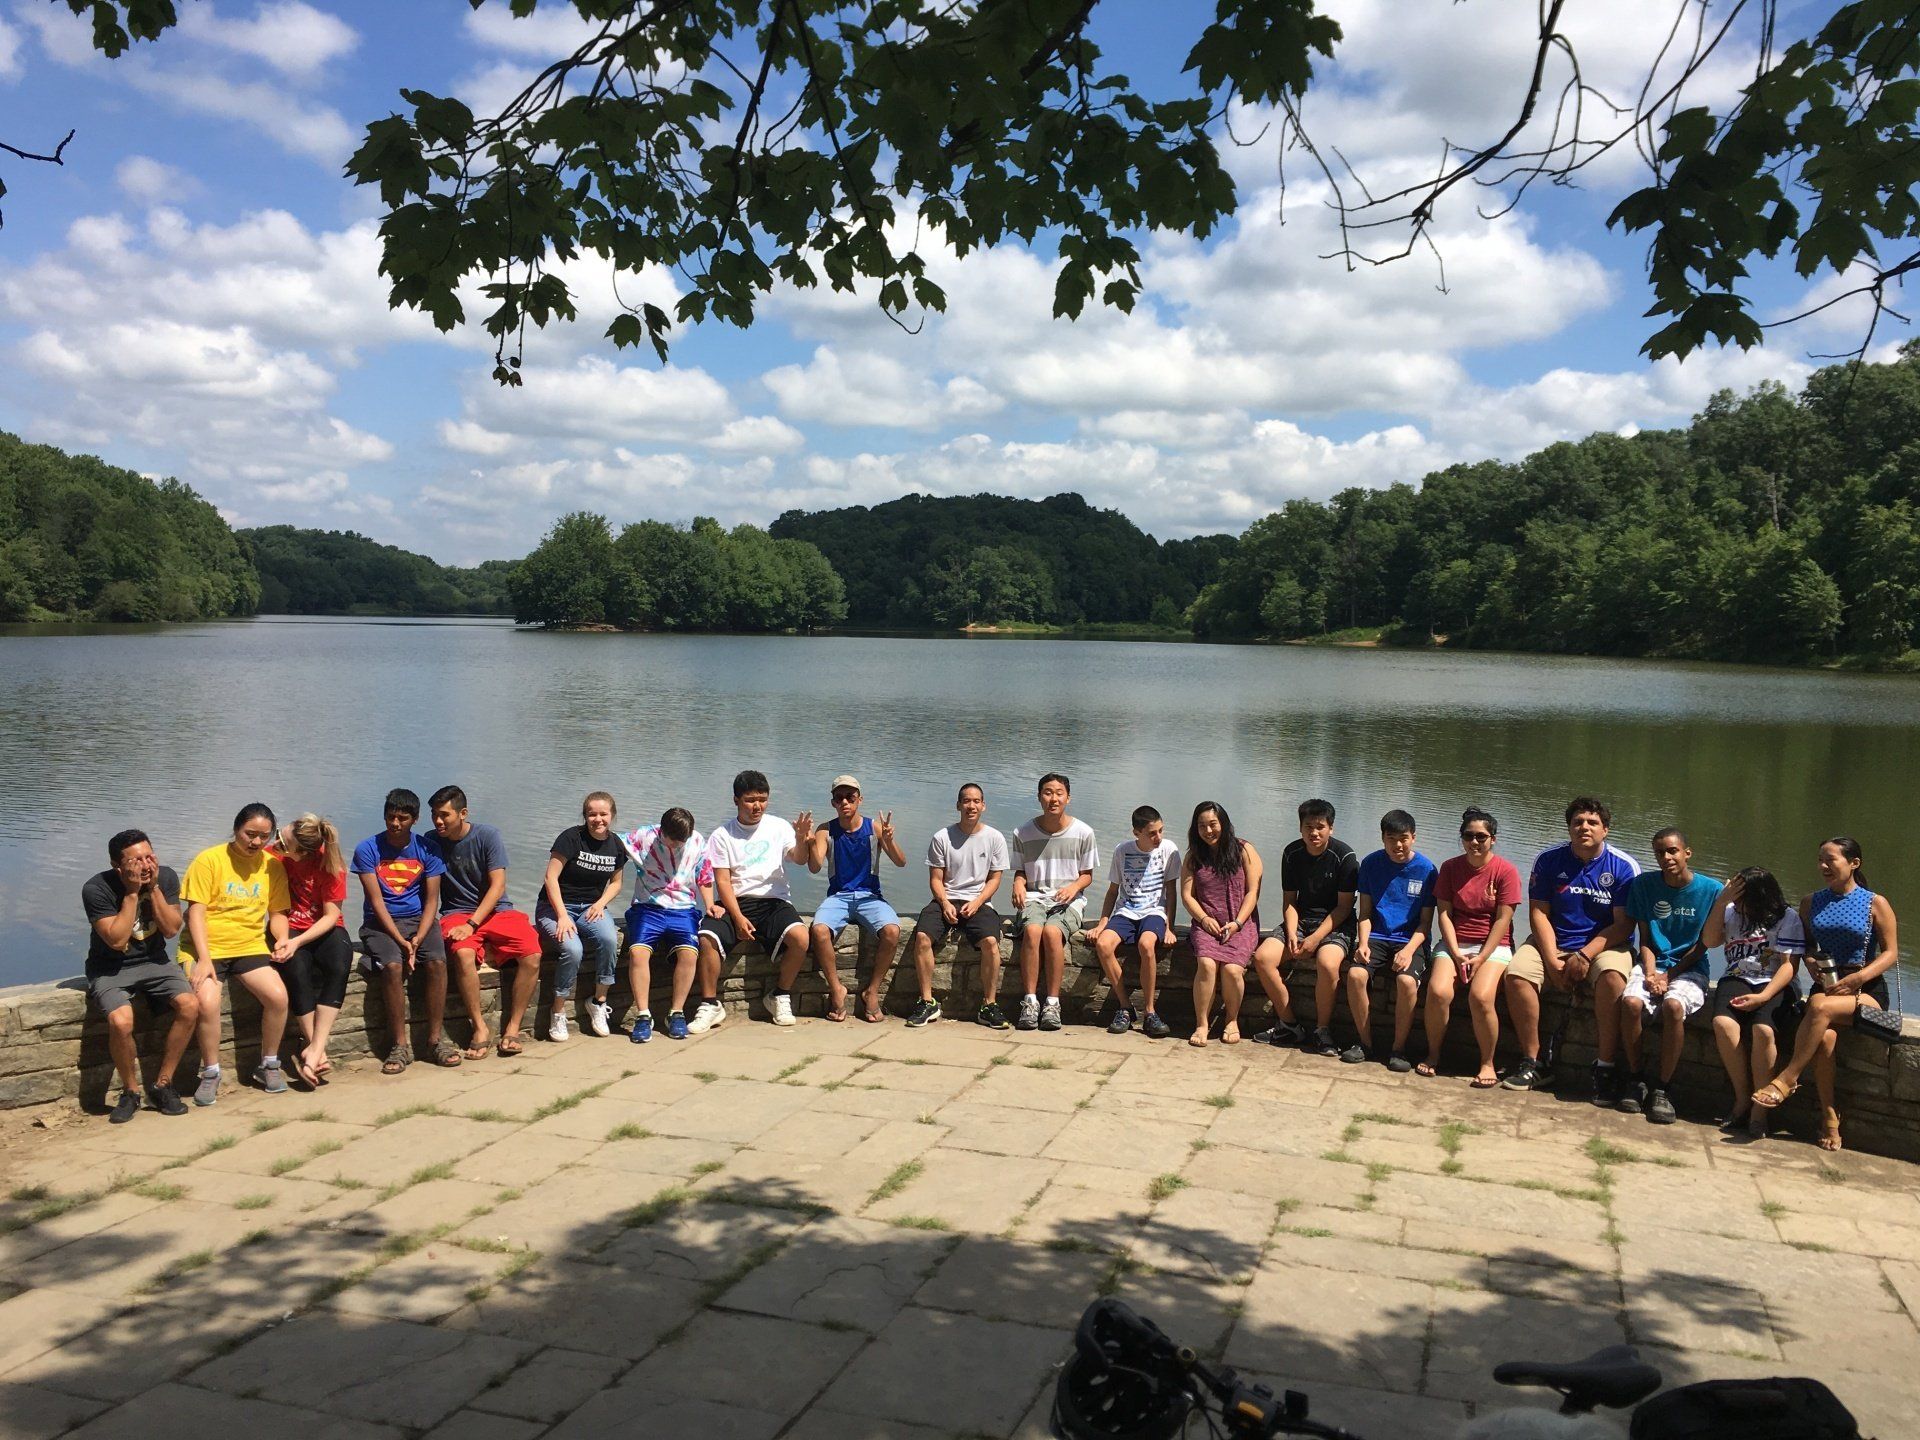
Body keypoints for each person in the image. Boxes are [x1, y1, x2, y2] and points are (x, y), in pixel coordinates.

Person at [1754, 837, 1901, 1150]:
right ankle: (1829, 1116)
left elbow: (1891, 953)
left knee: (1819, 1010)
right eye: (1820, 860)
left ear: (1853, 864)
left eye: (1831, 860)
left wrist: (1858, 977)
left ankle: (1788, 1078)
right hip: (1828, 982)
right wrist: (1810, 962)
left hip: (1866, 987)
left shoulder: (1876, 903)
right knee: (1825, 1038)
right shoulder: (1811, 901)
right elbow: (1807, 944)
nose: (1823, 866)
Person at [1498, 797, 1639, 1093]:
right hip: (1554, 941)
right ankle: (1533, 1062)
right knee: (1517, 974)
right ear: (1569, 827)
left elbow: (1624, 924)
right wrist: (1551, 959)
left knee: (1613, 979)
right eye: (1577, 822)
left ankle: (1605, 1067)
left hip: (1605, 946)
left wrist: (1585, 955)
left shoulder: (1625, 867)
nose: (1584, 828)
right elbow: (1538, 912)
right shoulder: (1549, 860)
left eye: (1592, 823)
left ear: (1606, 830)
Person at [180, 803, 293, 1100]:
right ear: (236, 829)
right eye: (250, 834)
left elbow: (278, 912)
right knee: (206, 1001)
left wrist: (281, 938)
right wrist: (204, 959)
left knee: (279, 997)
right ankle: (211, 1072)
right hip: (205, 948)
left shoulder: (272, 866)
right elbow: (195, 914)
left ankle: (269, 1063)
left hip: (249, 945)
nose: (256, 842)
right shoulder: (209, 860)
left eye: (264, 837)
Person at [82, 829, 196, 1122]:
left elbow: (171, 929)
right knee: (121, 1021)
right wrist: (132, 893)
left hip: (156, 962)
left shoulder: (165, 877)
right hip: (110, 968)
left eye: (148, 856)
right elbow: (117, 941)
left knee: (190, 1005)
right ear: (117, 866)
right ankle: (131, 1092)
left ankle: (163, 1085)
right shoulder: (97, 889)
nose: (145, 866)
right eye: (135, 861)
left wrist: (154, 888)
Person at [426, 785, 543, 1058]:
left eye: (444, 815)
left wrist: (473, 924)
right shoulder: (431, 841)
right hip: (456, 912)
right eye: (434, 815)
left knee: (533, 953)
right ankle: (480, 1028)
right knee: (464, 954)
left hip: (496, 910)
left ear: (463, 813)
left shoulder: (487, 836)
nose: (438, 821)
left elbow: (498, 885)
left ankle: (512, 1028)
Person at [701, 769, 823, 1027]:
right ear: (736, 800)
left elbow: (800, 859)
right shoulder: (722, 835)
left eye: (762, 799)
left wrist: (802, 839)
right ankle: (710, 1003)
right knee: (707, 938)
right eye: (750, 800)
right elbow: (722, 881)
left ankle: (779, 994)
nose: (757, 806)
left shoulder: (778, 826)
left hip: (774, 901)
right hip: (735, 901)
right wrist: (738, 917)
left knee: (801, 937)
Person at [1615, 828, 1720, 1123]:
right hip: (1652, 964)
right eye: (1660, 852)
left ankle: (1663, 1088)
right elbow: (1645, 938)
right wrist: (1650, 973)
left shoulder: (1710, 890)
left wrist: (1668, 976)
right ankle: (1636, 1080)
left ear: (1687, 853)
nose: (1666, 857)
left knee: (1673, 1006)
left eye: (1673, 851)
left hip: (1691, 968)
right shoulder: (1644, 885)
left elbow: (1704, 945)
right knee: (1631, 1002)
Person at [351, 789, 453, 1072]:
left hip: (418, 919)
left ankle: (435, 1041)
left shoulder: (428, 849)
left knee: (436, 962)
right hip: (379, 924)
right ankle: (399, 1046)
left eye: (402, 818)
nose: (395, 824)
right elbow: (376, 901)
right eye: (390, 817)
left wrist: (419, 936)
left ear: (415, 820)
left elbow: (433, 900)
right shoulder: (367, 849)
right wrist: (400, 941)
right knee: (393, 967)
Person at [1700, 867, 1805, 1141]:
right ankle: (1742, 1099)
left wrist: (1763, 996)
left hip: (1775, 982)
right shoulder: (1731, 911)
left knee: (1763, 1031)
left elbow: (1788, 968)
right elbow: (1710, 941)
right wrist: (1721, 902)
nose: (1740, 903)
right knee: (1723, 1023)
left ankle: (1760, 1111)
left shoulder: (1787, 917)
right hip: (1738, 975)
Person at [906, 783, 1011, 1029]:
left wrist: (976, 902)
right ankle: (927, 1001)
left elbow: (995, 880)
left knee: (991, 943)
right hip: (946, 899)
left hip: (979, 901)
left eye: (976, 801)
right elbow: (935, 879)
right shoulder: (942, 837)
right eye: (966, 801)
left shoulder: (994, 838)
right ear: (958, 805)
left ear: (983, 805)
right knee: (922, 937)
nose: (971, 806)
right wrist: (944, 902)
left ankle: (989, 1004)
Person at [806, 776, 906, 1023]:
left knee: (892, 931)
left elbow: (901, 862)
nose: (845, 802)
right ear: (833, 802)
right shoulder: (825, 830)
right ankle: (836, 989)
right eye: (839, 798)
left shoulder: (874, 828)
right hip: (838, 896)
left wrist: (890, 841)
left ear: (859, 800)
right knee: (819, 930)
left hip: (869, 896)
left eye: (850, 797)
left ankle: (872, 991)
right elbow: (815, 866)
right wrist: (807, 843)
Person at [1435, 808, 1522, 1085]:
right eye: (1468, 836)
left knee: (1481, 997)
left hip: (1493, 946)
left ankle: (1487, 1063)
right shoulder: (1450, 867)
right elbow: (1444, 914)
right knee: (1438, 991)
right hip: (1454, 942)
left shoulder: (1505, 871)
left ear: (1493, 839)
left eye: (1481, 837)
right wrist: (1456, 951)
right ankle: (1432, 1054)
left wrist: (1481, 957)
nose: (1474, 842)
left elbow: (1503, 920)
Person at [1349, 810, 1438, 1071]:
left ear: (1414, 837)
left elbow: (1425, 923)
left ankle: (1399, 1049)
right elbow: (1364, 914)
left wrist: (1410, 950)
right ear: (1382, 838)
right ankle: (1364, 1044)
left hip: (1411, 938)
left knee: (1406, 981)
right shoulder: (1370, 864)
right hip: (1375, 935)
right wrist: (1362, 943)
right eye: (1391, 839)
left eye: (1404, 838)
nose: (1398, 845)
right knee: (1356, 976)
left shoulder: (1427, 869)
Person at [537, 792, 629, 1041]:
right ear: (585, 815)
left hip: (590, 907)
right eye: (592, 814)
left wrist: (601, 904)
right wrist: (562, 916)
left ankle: (598, 1001)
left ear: (612, 815)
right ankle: (557, 1011)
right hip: (555, 906)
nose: (597, 819)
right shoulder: (571, 838)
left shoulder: (616, 845)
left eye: (603, 814)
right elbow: (550, 878)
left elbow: (617, 883)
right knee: (573, 949)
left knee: (610, 940)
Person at [1011, 773, 1100, 1031]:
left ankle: (1052, 1003)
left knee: (1052, 932)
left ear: (1068, 798)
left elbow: (1087, 876)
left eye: (1059, 793)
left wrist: (1073, 887)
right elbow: (1019, 870)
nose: (1053, 798)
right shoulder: (1023, 832)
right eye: (1048, 793)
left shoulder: (1083, 832)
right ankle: (1029, 1002)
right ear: (1039, 797)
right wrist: (1018, 883)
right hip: (1034, 897)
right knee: (1032, 930)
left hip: (1069, 899)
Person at [619, 807, 714, 1041]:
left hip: (683, 909)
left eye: (682, 841)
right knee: (638, 953)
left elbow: (704, 875)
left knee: (690, 955)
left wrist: (710, 904)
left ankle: (676, 1012)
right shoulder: (644, 836)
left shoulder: (698, 841)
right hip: (647, 906)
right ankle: (643, 1015)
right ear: (662, 832)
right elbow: (614, 845)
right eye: (673, 841)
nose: (677, 846)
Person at [270, 814, 352, 1087]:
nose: (276, 843)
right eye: (280, 836)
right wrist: (288, 941)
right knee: (296, 968)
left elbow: (330, 917)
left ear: (303, 851)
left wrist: (298, 942)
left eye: (283, 842)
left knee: (340, 964)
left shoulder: (331, 865)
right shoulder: (274, 856)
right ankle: (317, 1050)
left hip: (322, 928)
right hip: (289, 927)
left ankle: (314, 1049)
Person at [1087, 805, 1181, 1038]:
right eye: (1152, 833)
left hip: (1154, 911)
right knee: (1103, 945)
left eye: (1161, 830)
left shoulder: (1169, 849)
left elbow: (1171, 891)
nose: (1158, 837)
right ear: (1136, 833)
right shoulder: (1122, 851)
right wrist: (1102, 923)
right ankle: (1125, 1007)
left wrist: (1170, 927)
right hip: (1126, 911)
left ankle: (1150, 1012)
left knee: (1146, 945)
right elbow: (1112, 891)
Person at [1181, 802, 1267, 1048]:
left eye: (1213, 824)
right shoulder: (1193, 856)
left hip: (1241, 921)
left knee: (1231, 970)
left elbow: (1253, 892)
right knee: (1207, 964)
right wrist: (1204, 919)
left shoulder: (1244, 849)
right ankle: (1202, 1023)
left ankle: (1232, 1020)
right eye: (1202, 826)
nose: (1208, 831)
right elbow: (1187, 895)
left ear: (1224, 824)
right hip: (1206, 922)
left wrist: (1238, 922)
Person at [1280, 800, 1360, 1059]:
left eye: (1320, 827)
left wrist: (1314, 939)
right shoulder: (1291, 853)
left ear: (1331, 829)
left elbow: (1344, 908)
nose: (1314, 833)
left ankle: (1322, 1030)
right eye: (1308, 827)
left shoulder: (1345, 858)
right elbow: (1290, 902)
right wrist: (1292, 933)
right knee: (1262, 958)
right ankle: (1289, 1024)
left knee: (1327, 963)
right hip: (1301, 920)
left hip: (1336, 923)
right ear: (1300, 828)